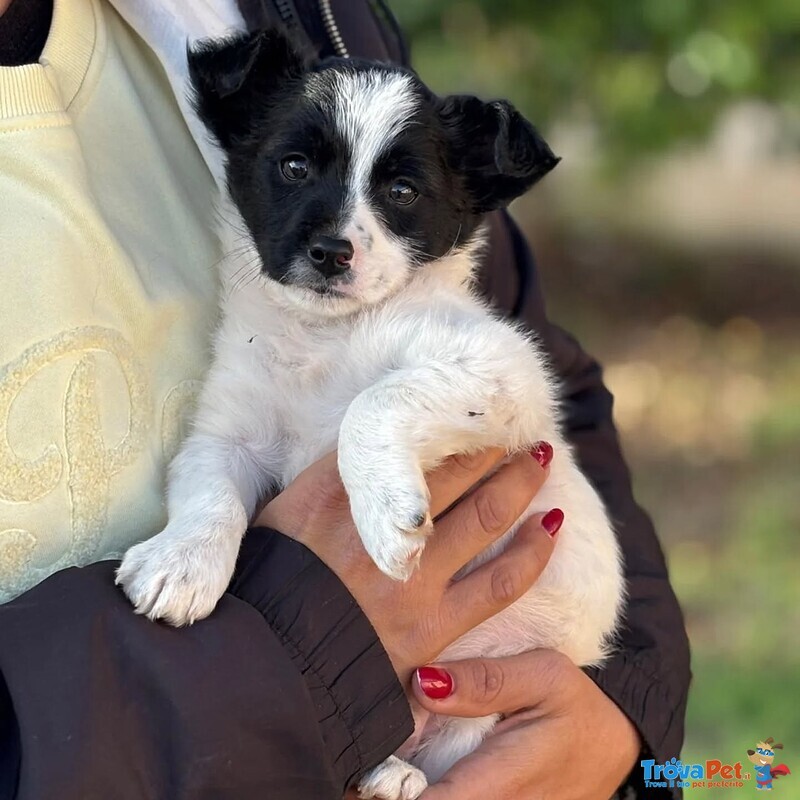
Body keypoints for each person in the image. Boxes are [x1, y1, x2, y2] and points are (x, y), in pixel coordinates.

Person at [0, 0, 690, 798]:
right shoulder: (257, 336)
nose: (340, 234)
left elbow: (520, 389)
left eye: (397, 191)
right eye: (299, 170)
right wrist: (208, 534)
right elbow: (227, 450)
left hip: (517, 676)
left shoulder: (424, 311)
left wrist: (619, 725)